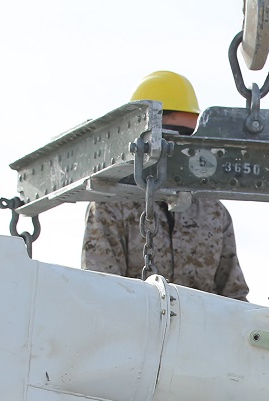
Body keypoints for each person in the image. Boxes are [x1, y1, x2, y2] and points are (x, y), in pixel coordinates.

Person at [82, 71, 250, 300]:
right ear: (141, 139)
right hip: (132, 333)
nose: (178, 149)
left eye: (189, 137)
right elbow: (98, 293)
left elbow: (234, 298)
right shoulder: (112, 206)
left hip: (198, 335)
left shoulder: (214, 213)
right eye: (170, 136)